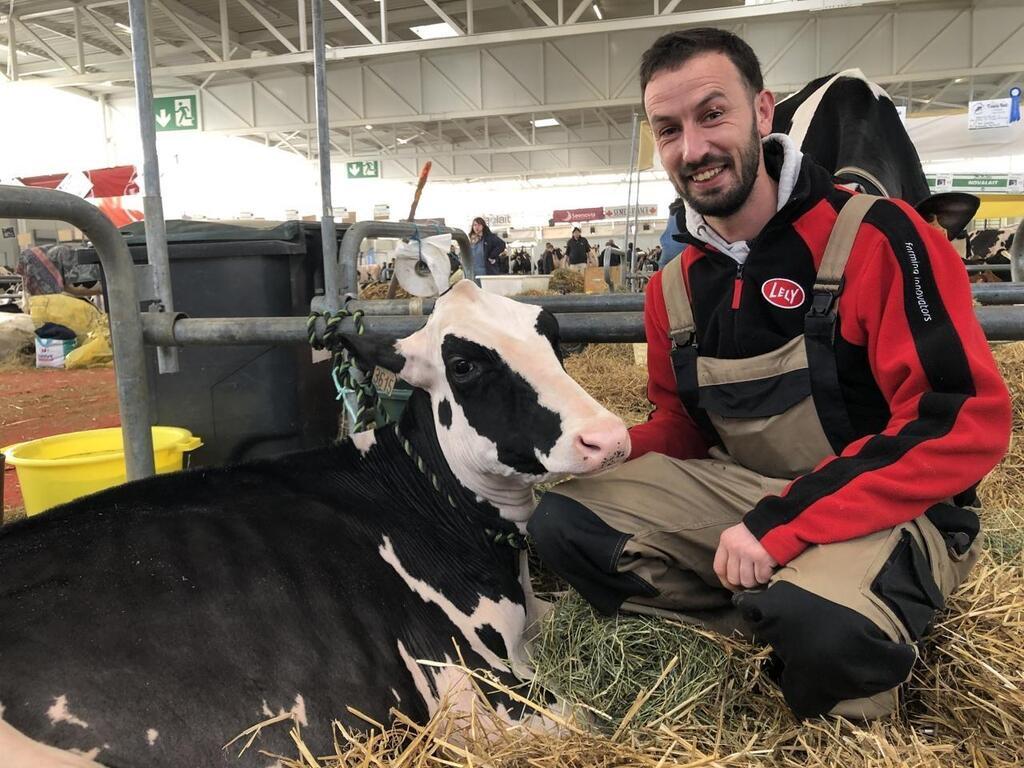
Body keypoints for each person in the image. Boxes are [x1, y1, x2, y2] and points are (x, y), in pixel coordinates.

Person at [528, 27, 1011, 722]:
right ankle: (763, 621)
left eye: (712, 114)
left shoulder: (882, 235)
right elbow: (687, 431)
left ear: (763, 113)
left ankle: (813, 616)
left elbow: (963, 421)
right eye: (668, 129)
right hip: (748, 499)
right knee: (563, 522)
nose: (692, 149)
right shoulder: (674, 287)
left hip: (888, 507)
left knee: (824, 626)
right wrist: (631, 444)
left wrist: (781, 527)